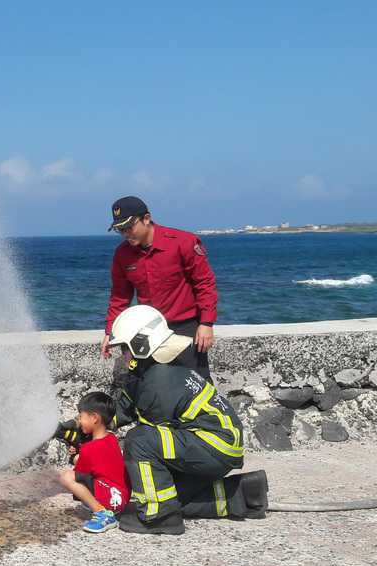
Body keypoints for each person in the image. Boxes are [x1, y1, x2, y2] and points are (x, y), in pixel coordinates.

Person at [106, 305, 267, 535]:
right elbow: (124, 409)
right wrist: (85, 426)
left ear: (141, 345)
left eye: (124, 347)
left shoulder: (158, 380)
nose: (123, 354)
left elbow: (148, 437)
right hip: (217, 444)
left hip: (212, 444)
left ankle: (160, 517)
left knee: (139, 440)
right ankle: (244, 493)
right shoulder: (154, 371)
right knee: (172, 495)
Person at [103, 195, 218, 380]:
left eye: (129, 227)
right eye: (120, 230)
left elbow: (204, 284)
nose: (125, 233)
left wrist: (206, 323)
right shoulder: (122, 254)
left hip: (186, 326)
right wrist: (111, 332)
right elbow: (119, 297)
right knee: (151, 384)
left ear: (146, 219)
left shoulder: (183, 242)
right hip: (149, 329)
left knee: (197, 382)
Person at [56, 392, 130, 533]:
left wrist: (75, 457)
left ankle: (102, 514)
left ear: (94, 418)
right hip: (122, 498)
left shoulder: (89, 448)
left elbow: (78, 473)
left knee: (66, 476)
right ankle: (105, 508)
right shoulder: (111, 438)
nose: (79, 420)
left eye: (81, 417)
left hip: (111, 501)